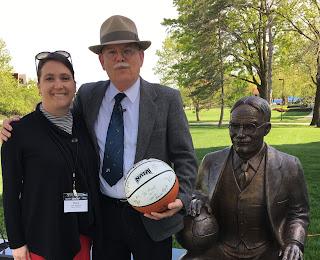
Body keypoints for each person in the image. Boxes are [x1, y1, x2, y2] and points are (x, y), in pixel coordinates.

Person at [1, 15, 197, 260]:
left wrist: (181, 198)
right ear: (102, 60)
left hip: (152, 216)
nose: (120, 57)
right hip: (103, 217)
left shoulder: (167, 99)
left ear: (141, 57)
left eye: (128, 50)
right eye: (111, 52)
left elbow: (186, 158)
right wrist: (16, 125)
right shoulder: (88, 95)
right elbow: (57, 118)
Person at [179, 96, 309, 260]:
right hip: (221, 247)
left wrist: (294, 242)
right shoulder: (211, 162)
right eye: (234, 126)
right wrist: (196, 201)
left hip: (266, 250)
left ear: (266, 129)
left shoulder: (289, 166)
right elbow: (199, 193)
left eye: (250, 127)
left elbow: (299, 213)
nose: (240, 134)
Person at [1, 51, 101, 260]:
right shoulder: (18, 132)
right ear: (38, 86)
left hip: (82, 236)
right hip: (42, 241)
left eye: (65, 78)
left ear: (74, 85)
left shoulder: (86, 126)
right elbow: (10, 194)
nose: (58, 85)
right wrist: (17, 243)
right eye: (49, 78)